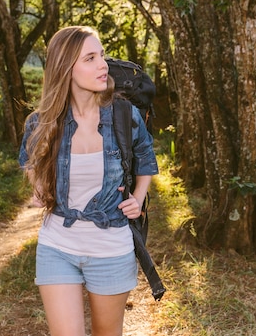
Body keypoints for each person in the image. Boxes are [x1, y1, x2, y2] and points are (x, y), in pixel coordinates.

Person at [19, 26, 159, 336]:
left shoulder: (124, 115)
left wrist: (138, 196)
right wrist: (38, 186)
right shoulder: (41, 122)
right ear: (66, 68)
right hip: (58, 244)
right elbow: (29, 160)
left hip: (111, 246)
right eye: (90, 58)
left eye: (102, 56)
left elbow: (146, 158)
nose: (103, 65)